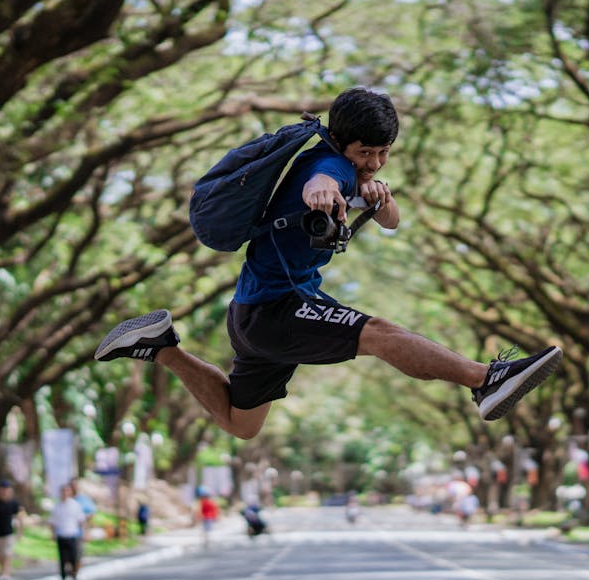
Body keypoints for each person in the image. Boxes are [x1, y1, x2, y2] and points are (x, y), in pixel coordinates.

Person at [94, 88, 563, 438]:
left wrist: (377, 195)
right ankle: (485, 379)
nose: (374, 162)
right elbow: (319, 181)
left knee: (241, 423)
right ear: (338, 141)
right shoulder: (328, 166)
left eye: (383, 153)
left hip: (253, 313)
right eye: (365, 153)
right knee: (378, 334)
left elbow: (393, 221)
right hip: (278, 308)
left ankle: (161, 346)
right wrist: (324, 190)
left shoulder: (351, 169)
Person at [49, 482, 88, 580]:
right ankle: (63, 579)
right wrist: (53, 534)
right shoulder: (57, 506)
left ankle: (74, 576)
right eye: (63, 491)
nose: (65, 493)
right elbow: (52, 522)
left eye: (67, 491)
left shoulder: (75, 505)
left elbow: (81, 520)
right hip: (61, 535)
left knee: (74, 558)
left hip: (73, 534)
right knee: (63, 559)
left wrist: (84, 533)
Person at [0, 480, 22, 580]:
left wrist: (19, 532)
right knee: (0, 555)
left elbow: (18, 518)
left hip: (9, 533)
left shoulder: (13, 503)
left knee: (7, 554)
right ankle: (4, 574)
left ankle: (5, 576)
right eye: (2, 489)